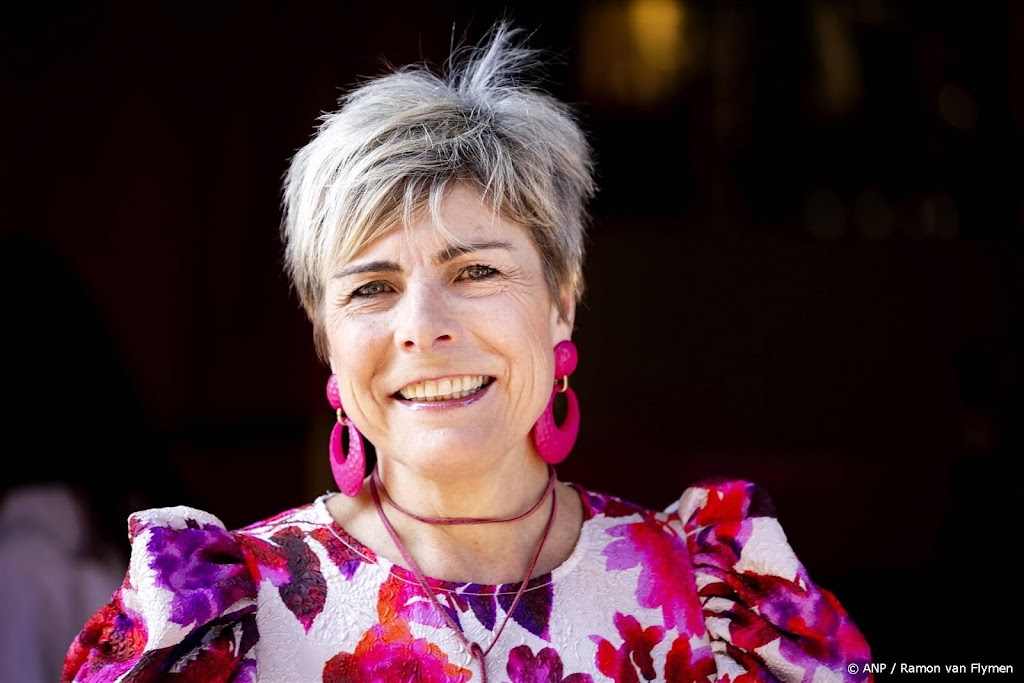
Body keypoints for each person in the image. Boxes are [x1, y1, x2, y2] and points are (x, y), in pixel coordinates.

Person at [62, 22, 873, 682]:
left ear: (562, 301)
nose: (423, 326)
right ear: (325, 336)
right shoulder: (220, 624)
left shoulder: (715, 599)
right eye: (371, 287)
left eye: (476, 271)